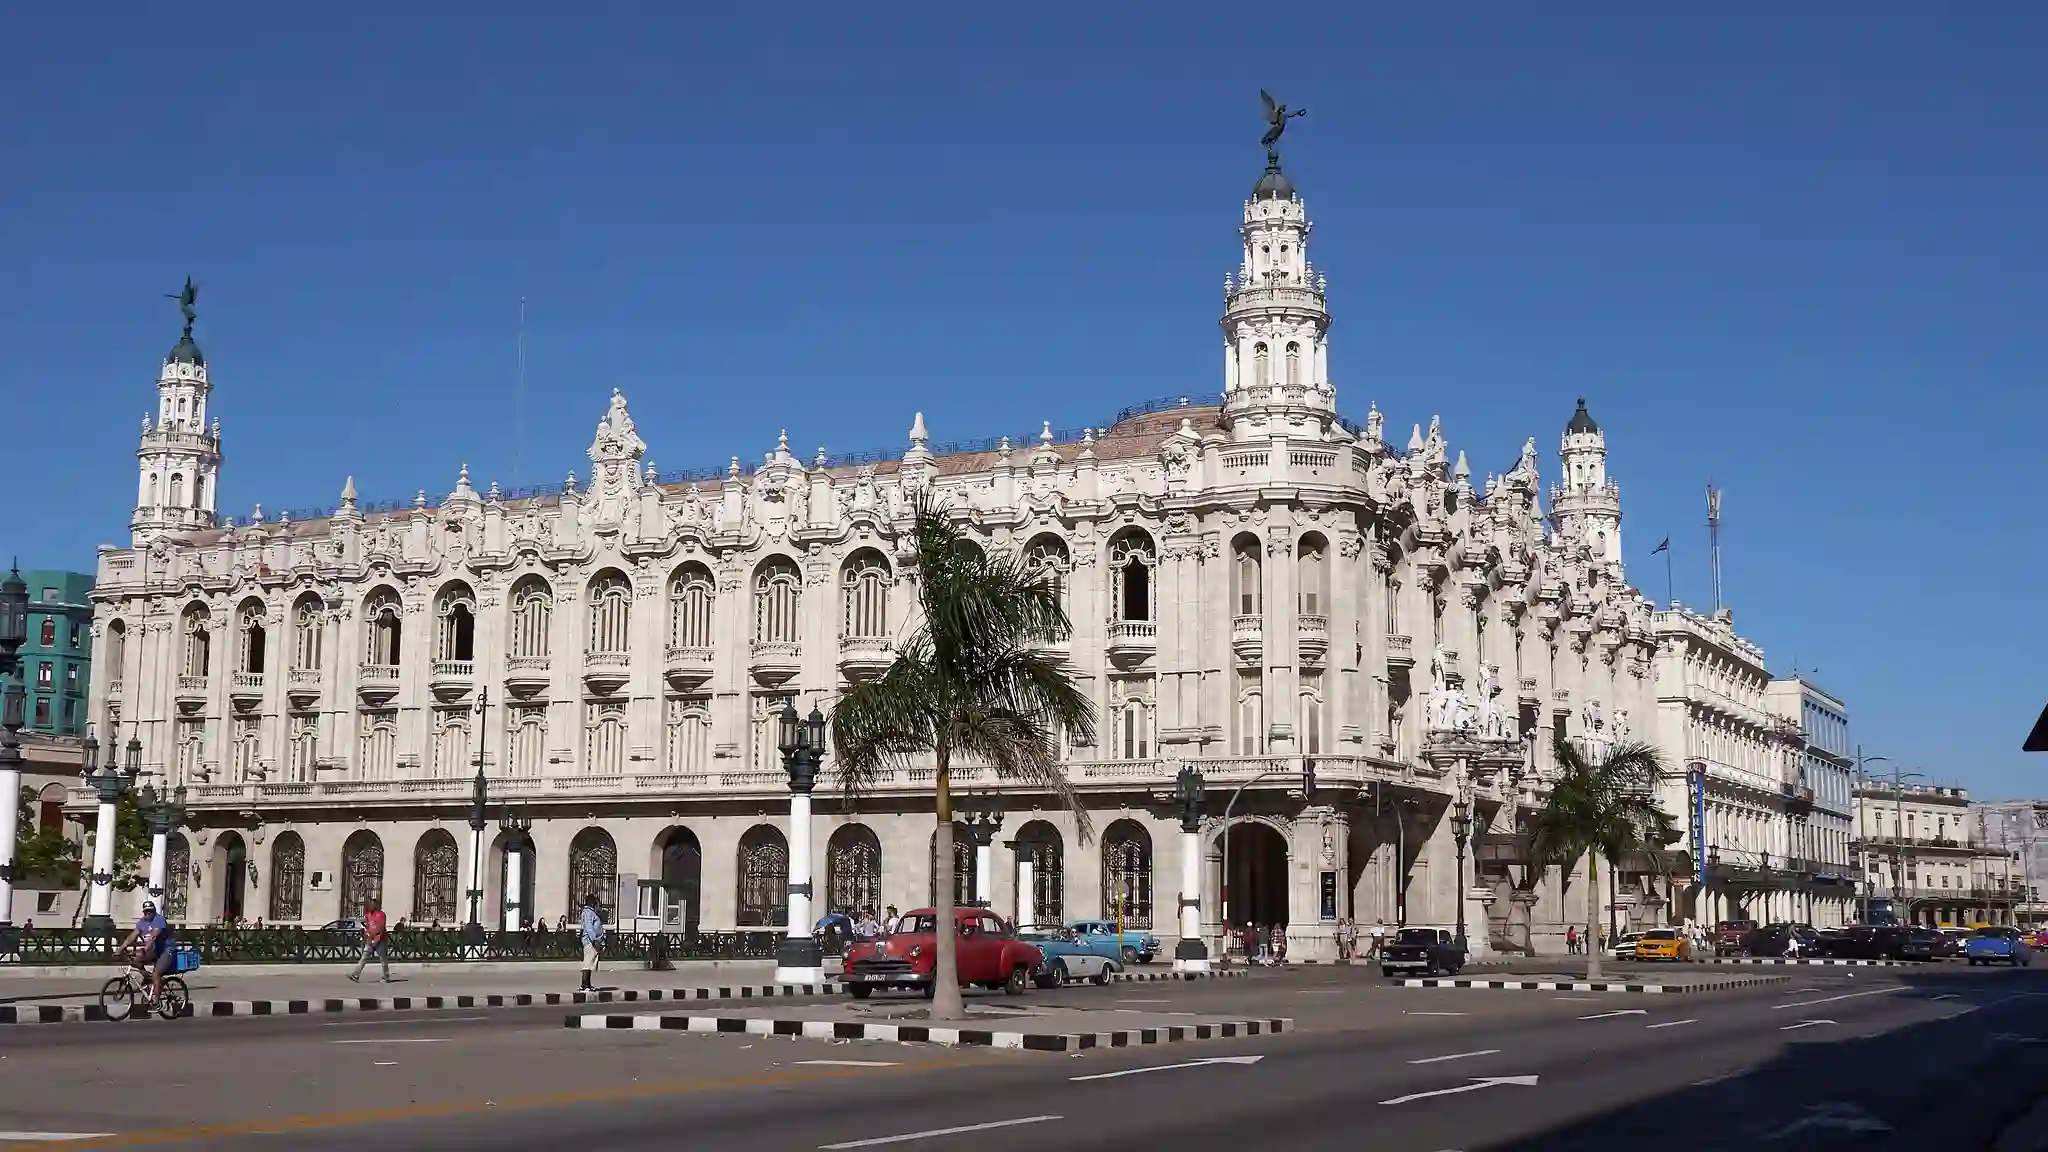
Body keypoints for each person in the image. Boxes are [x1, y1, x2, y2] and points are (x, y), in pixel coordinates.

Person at [119, 899, 174, 1005]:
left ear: (154, 911)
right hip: (153, 950)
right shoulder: (141, 922)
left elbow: (154, 935)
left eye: (150, 911)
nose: (148, 914)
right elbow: (132, 936)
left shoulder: (159, 920)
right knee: (136, 961)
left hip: (166, 950)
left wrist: (145, 948)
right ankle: (149, 979)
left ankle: (156, 1000)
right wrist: (121, 948)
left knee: (156, 973)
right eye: (146, 912)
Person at [348, 899, 392, 984]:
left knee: (383, 959)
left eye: (372, 905)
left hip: (380, 940)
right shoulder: (368, 915)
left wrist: (377, 938)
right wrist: (366, 936)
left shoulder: (381, 915)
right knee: (364, 957)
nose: (370, 906)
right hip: (370, 940)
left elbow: (381, 927)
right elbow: (368, 926)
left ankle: (386, 977)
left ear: (375, 906)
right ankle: (356, 974)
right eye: (369, 905)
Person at [578, 892, 605, 992]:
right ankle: (584, 985)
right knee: (588, 963)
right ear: (592, 902)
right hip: (590, 941)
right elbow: (589, 928)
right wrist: (594, 940)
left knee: (590, 963)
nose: (597, 904)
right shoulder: (588, 912)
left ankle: (588, 984)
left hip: (592, 940)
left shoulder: (591, 912)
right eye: (595, 902)